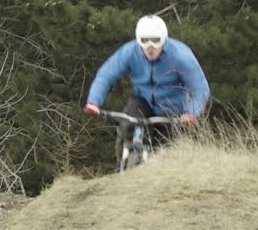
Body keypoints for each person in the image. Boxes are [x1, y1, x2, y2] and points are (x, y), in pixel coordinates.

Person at [84, 14, 210, 149]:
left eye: (155, 40)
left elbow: (200, 89)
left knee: (164, 151)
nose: (150, 47)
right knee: (127, 127)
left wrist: (191, 112)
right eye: (145, 40)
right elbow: (106, 75)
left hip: (173, 109)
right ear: (138, 40)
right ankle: (125, 164)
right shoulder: (130, 52)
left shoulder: (181, 56)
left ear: (164, 39)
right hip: (142, 102)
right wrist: (93, 102)